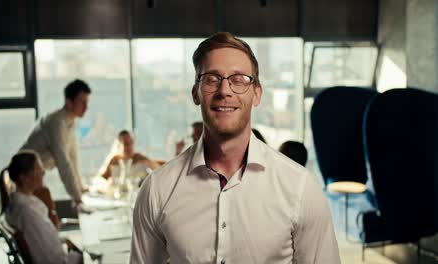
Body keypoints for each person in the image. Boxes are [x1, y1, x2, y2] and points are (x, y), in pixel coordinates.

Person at [130, 32, 340, 263]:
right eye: (212, 79)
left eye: (238, 79)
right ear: (195, 93)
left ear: (256, 94)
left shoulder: (300, 188)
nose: (225, 91)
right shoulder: (157, 190)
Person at [0, 150, 83, 264]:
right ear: (24, 177)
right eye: (39, 169)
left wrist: (65, 242)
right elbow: (50, 258)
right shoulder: (27, 211)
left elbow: (44, 243)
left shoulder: (17, 204)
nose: (43, 172)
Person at [21, 79, 91, 207]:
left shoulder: (70, 122)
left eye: (87, 102)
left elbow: (73, 158)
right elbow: (63, 162)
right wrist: (77, 197)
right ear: (69, 102)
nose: (86, 107)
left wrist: (80, 188)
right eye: (82, 102)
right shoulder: (57, 122)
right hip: (24, 178)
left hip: (34, 176)